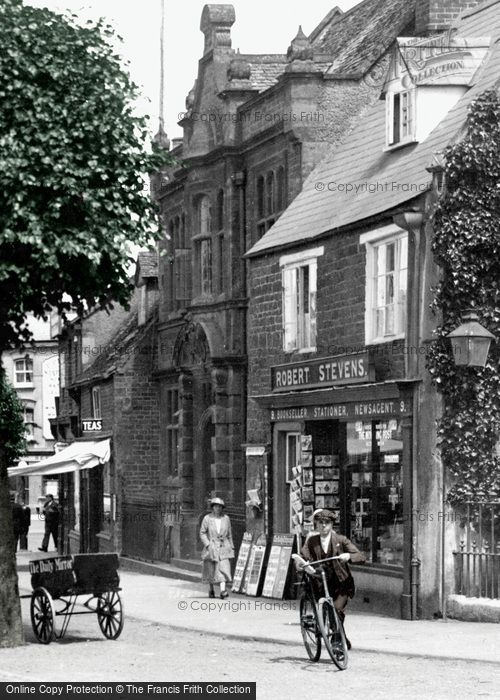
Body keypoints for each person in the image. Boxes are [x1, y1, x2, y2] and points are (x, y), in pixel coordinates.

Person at [300, 509, 365, 649]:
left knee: (336, 609)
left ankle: (336, 642)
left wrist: (348, 556)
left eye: (327, 523)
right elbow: (302, 556)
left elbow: (360, 556)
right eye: (320, 523)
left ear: (332, 525)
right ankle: (341, 639)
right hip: (321, 584)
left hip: (341, 583)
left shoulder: (341, 540)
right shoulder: (312, 541)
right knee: (327, 612)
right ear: (316, 525)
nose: (323, 526)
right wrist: (301, 564)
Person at [199, 497, 234, 599]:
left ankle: (223, 591)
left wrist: (231, 547)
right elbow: (202, 532)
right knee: (211, 568)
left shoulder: (226, 518)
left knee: (223, 568)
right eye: (216, 506)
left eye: (220, 507)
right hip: (212, 546)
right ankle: (211, 589)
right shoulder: (207, 518)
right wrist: (208, 544)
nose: (218, 508)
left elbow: (229, 534)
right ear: (212, 507)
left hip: (223, 547)